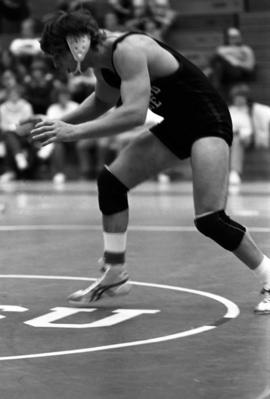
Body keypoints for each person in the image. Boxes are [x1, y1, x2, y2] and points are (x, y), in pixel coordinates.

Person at [24, 10, 270, 314]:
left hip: (208, 121)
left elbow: (133, 114)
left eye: (56, 55)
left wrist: (72, 132)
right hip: (178, 124)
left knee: (210, 218)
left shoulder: (129, 50)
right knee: (111, 182)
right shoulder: (103, 62)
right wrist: (55, 123)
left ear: (76, 45)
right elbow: (102, 101)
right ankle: (115, 274)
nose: (55, 65)